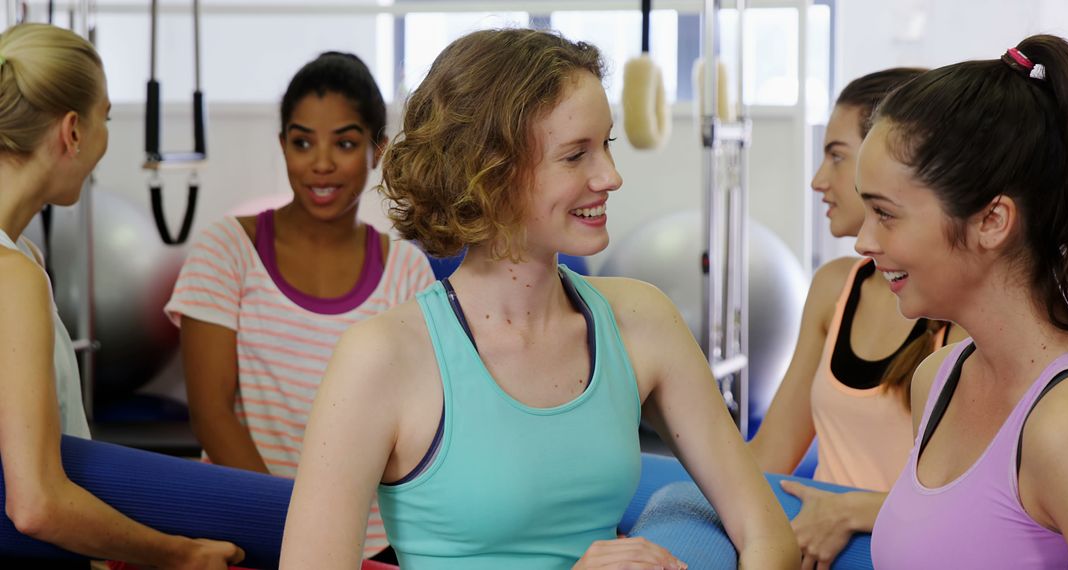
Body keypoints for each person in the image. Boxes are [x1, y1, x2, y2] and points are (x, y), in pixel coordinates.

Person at [280, 28, 799, 569]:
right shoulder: (381, 359)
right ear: (489, 173)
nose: (611, 177)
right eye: (575, 156)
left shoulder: (642, 321)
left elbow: (767, 534)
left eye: (607, 146)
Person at [165, 51, 435, 560]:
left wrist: (332, 538)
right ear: (283, 144)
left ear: (378, 149)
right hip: (244, 525)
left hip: (368, 541)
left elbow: (412, 430)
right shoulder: (226, 250)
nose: (322, 163)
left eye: (346, 142)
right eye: (302, 141)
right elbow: (211, 414)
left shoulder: (407, 272)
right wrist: (290, 525)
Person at [0, 22, 243, 568]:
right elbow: (36, 503)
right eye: (104, 117)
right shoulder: (11, 275)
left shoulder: (25, 263)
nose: (105, 138)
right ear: (72, 131)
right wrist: (180, 555)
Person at [860, 35, 1068, 567]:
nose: (864, 241)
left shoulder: (1066, 426)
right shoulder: (935, 379)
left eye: (885, 213)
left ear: (992, 222)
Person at [748, 67, 967, 568]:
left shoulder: (960, 319)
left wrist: (856, 512)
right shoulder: (835, 287)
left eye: (836, 155)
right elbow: (768, 458)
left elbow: (973, 510)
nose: (818, 179)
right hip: (815, 542)